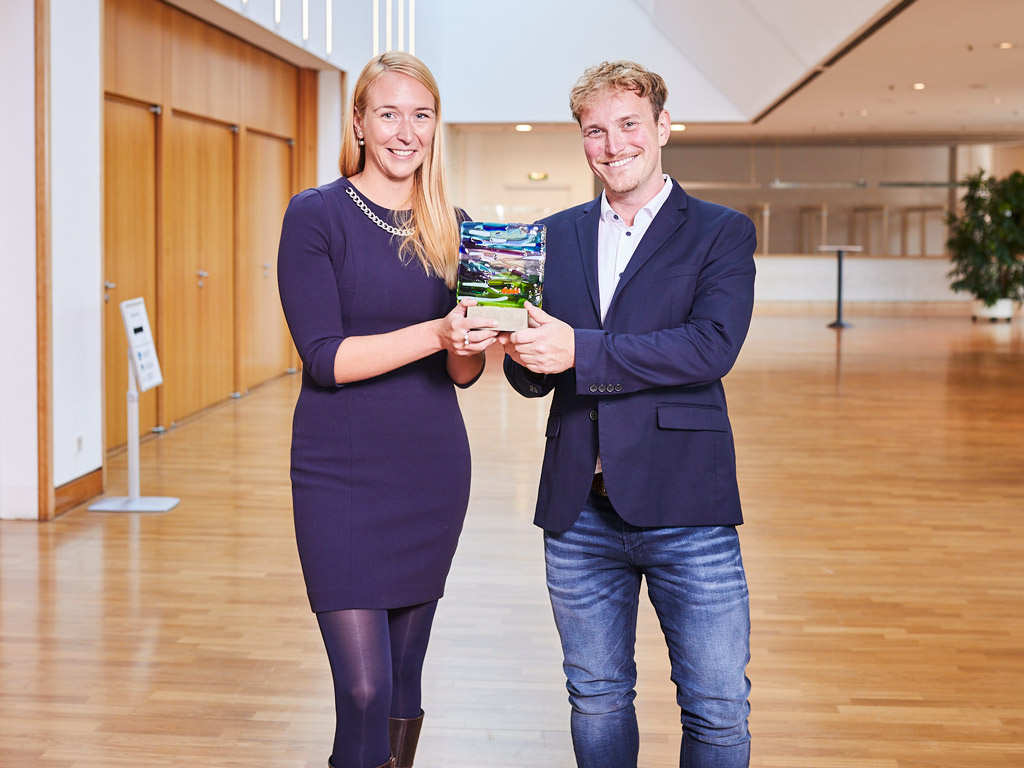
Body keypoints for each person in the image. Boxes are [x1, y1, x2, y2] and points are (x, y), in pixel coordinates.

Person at [501, 60, 756, 768]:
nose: (612, 146)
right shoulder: (550, 234)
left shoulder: (721, 232)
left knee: (716, 707)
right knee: (597, 697)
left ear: (663, 127)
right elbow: (533, 379)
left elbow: (710, 347)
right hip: (578, 510)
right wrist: (515, 348)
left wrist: (576, 348)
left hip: (688, 508)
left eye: (628, 126)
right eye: (594, 131)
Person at [277, 52, 497, 768]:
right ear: (360, 123)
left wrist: (483, 329)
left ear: (437, 126)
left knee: (403, 680)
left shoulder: (451, 225)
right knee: (365, 688)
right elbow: (326, 359)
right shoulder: (316, 215)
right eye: (390, 113)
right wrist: (437, 331)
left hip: (431, 469)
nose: (407, 131)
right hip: (338, 470)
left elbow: (462, 373)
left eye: (422, 115)